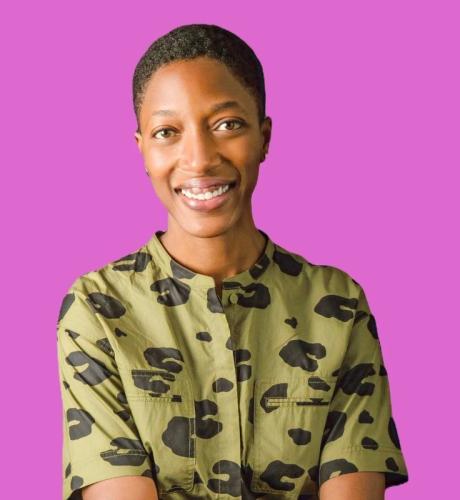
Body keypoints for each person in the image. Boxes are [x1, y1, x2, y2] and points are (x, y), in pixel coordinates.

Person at [56, 23, 409, 500]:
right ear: (143, 150)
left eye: (227, 125)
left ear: (264, 137)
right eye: (167, 132)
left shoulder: (337, 305)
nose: (199, 158)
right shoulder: (98, 308)